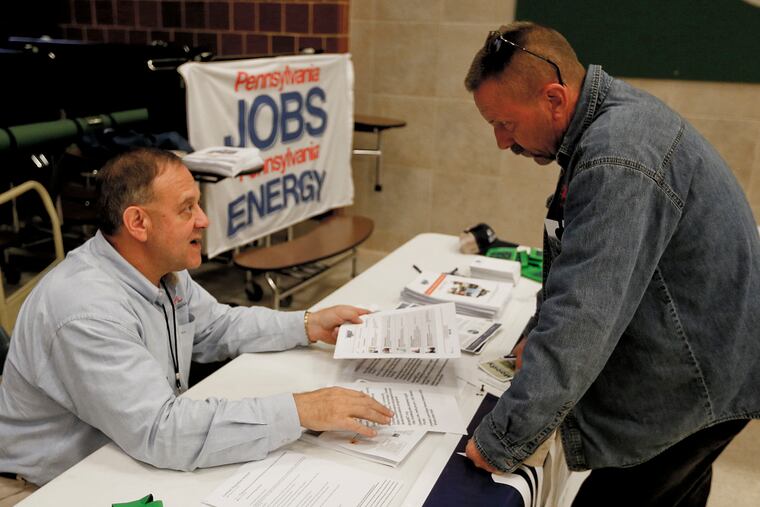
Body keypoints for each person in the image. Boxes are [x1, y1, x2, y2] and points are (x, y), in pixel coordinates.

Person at [462, 21, 760, 505]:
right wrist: (535, 336)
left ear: (554, 99)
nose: (501, 142)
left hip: (697, 379)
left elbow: (585, 313)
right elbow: (575, 262)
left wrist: (504, 440)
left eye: (506, 124)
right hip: (712, 362)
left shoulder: (617, 157)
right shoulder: (612, 123)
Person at [0, 148, 393, 495]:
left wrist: (306, 324)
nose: (203, 220)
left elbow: (214, 326)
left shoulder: (160, 269)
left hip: (117, 457)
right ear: (139, 223)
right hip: (45, 488)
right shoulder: (87, 310)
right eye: (187, 208)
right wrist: (299, 410)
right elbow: (160, 432)